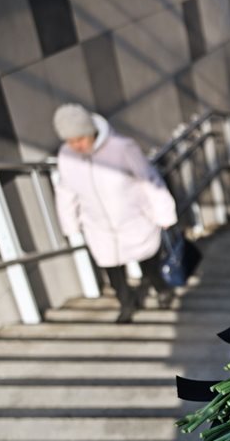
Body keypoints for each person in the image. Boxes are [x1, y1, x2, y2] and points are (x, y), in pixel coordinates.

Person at [52, 104, 178, 323]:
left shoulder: (122, 147)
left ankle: (162, 289)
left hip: (134, 218)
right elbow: (66, 191)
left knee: (148, 261)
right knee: (111, 268)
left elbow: (149, 179)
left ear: (90, 131)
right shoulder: (66, 156)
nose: (76, 146)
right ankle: (126, 304)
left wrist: (164, 213)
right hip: (98, 225)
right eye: (70, 141)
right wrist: (70, 224)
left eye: (80, 139)